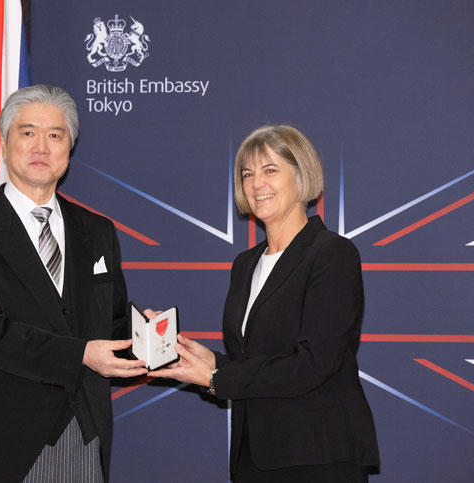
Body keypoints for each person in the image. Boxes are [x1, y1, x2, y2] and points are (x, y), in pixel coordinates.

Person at [0, 84, 148, 482]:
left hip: (87, 437)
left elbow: (111, 323)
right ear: (4, 144)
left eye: (55, 135)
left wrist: (145, 336)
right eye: (28, 132)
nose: (41, 147)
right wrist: (81, 354)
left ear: (69, 149)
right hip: (9, 446)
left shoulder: (97, 231)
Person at [150, 125, 380, 482]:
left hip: (318, 457)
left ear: (302, 176)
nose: (257, 184)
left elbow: (314, 363)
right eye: (247, 174)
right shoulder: (245, 264)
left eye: (270, 170)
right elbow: (257, 361)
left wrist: (216, 378)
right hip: (253, 459)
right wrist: (209, 361)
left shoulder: (332, 254)